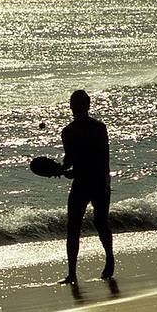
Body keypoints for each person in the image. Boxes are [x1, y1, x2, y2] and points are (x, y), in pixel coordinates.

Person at [58, 90, 114, 284]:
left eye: (81, 104)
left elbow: (102, 158)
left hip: (98, 181)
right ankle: (71, 273)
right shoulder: (67, 132)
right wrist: (58, 168)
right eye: (75, 104)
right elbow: (69, 159)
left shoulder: (99, 128)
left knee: (101, 223)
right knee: (72, 227)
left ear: (88, 106)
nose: (77, 108)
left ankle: (109, 259)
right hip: (80, 183)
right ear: (71, 106)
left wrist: (78, 171)